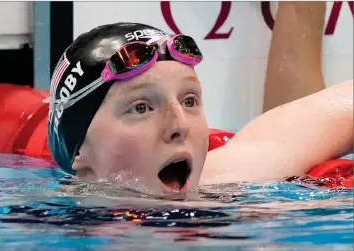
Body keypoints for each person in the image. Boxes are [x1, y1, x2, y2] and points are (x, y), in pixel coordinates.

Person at [42, 22, 353, 196]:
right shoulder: (37, 229)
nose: (179, 125)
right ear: (79, 149)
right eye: (141, 108)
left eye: (189, 101)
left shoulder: (230, 179)